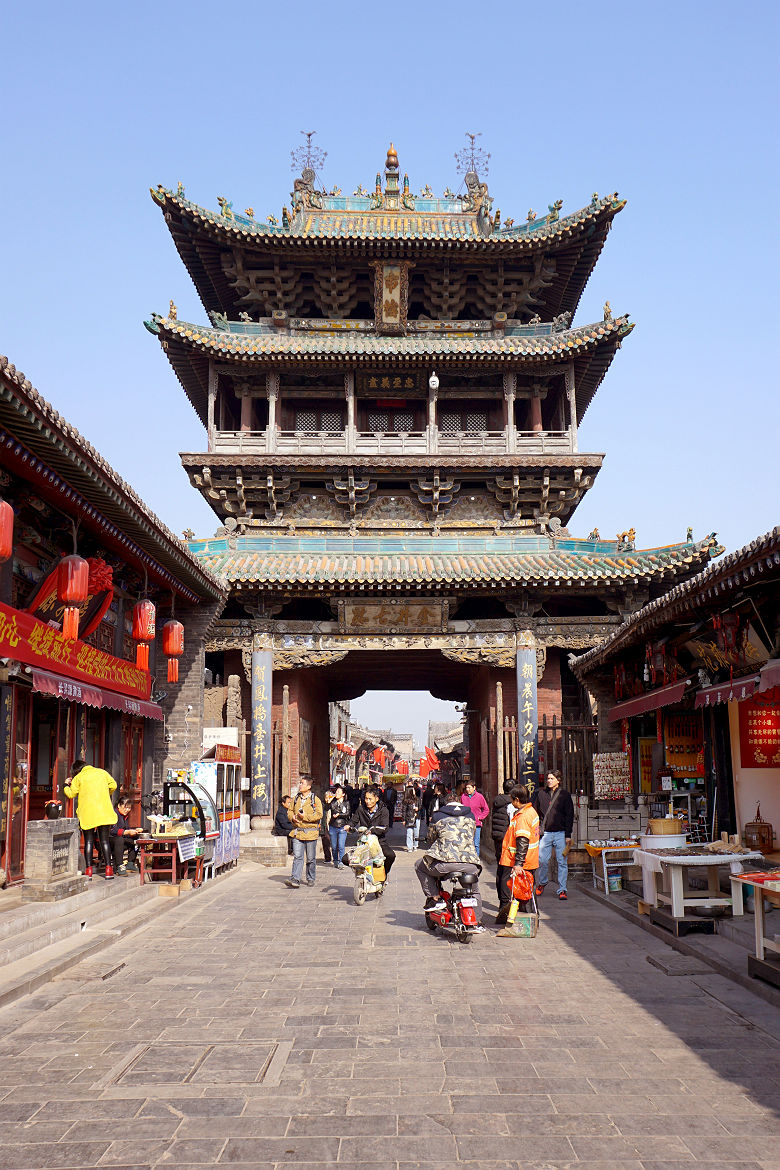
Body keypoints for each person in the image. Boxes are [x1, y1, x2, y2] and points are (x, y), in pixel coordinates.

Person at [414, 797, 483, 921]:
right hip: (470, 863)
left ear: (446, 803)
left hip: (445, 863)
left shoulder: (438, 816)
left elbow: (431, 837)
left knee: (419, 865)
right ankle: (477, 919)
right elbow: (471, 835)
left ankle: (435, 898)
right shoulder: (471, 815)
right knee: (474, 890)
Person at [497, 785, 540, 937]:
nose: (510, 801)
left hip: (524, 861)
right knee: (526, 893)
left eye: (511, 799)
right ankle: (530, 921)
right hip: (530, 859)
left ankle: (527, 924)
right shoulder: (530, 811)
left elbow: (522, 841)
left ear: (516, 799)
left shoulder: (523, 817)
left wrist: (518, 864)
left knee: (524, 894)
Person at [64, 759, 118, 880]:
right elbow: (113, 785)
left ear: (76, 770)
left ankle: (88, 871)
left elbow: (71, 794)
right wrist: (105, 793)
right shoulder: (102, 773)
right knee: (105, 841)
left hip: (87, 813)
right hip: (104, 812)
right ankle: (109, 869)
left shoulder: (79, 777)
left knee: (88, 841)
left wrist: (65, 785)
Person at [534, 771, 575, 901]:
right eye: (548, 778)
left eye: (552, 778)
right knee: (542, 860)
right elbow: (535, 812)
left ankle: (562, 889)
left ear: (558, 780)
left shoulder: (565, 795)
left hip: (561, 832)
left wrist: (568, 834)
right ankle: (543, 882)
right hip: (546, 833)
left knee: (562, 862)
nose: (549, 781)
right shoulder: (541, 794)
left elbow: (569, 815)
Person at [350, 786, 395, 880]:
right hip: (364, 842)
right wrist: (349, 826)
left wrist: (373, 830)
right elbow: (353, 821)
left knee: (391, 855)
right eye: (366, 798)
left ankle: (384, 873)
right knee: (347, 859)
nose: (368, 801)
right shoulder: (360, 809)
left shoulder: (383, 811)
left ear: (377, 798)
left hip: (379, 841)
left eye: (370, 799)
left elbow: (385, 827)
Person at [285, 777, 323, 889]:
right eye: (300, 783)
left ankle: (310, 877)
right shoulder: (296, 798)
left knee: (310, 858)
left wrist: (304, 817)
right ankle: (295, 878)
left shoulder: (315, 800)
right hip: (298, 832)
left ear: (308, 786)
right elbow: (290, 810)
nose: (300, 785)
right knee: (298, 856)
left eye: (302, 783)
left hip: (310, 832)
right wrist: (293, 818)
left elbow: (319, 814)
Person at [491, 779, 517, 924]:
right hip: (507, 840)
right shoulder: (511, 805)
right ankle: (505, 903)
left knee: (501, 870)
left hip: (498, 839)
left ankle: (502, 900)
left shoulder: (497, 801)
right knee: (506, 871)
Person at [109, 794, 143, 874]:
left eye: (129, 808)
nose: (127, 810)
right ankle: (119, 865)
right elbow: (112, 830)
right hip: (110, 840)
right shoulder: (114, 814)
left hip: (120, 839)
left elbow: (126, 829)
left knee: (136, 839)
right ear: (119, 805)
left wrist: (134, 830)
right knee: (119, 839)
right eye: (125, 807)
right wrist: (127, 832)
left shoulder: (124, 816)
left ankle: (130, 863)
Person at [460, 781, 490, 852]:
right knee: (467, 843)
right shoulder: (463, 796)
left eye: (469, 787)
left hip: (477, 824)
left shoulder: (480, 797)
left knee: (476, 843)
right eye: (466, 787)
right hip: (466, 823)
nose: (467, 789)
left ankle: (476, 860)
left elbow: (486, 809)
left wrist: (480, 817)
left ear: (474, 788)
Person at [328, 783, 351, 868]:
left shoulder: (346, 803)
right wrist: (328, 802)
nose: (336, 793)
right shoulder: (333, 802)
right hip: (333, 826)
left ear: (343, 794)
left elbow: (348, 814)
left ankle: (341, 861)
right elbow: (326, 809)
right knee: (334, 846)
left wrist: (339, 815)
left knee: (341, 846)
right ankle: (335, 860)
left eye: (338, 792)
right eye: (336, 792)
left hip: (342, 826)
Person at [401, 782, 421, 851]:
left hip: (416, 817)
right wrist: (403, 819)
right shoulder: (406, 801)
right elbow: (403, 810)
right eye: (413, 790)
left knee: (416, 832)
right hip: (409, 817)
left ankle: (415, 845)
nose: (414, 791)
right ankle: (410, 847)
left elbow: (420, 806)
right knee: (409, 833)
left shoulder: (417, 799)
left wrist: (418, 808)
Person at [319, 788, 333, 863]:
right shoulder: (322, 804)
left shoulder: (334, 804)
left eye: (329, 797)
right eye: (326, 797)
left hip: (332, 825)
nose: (327, 799)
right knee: (325, 842)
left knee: (334, 843)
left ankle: (336, 858)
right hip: (324, 826)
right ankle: (327, 858)